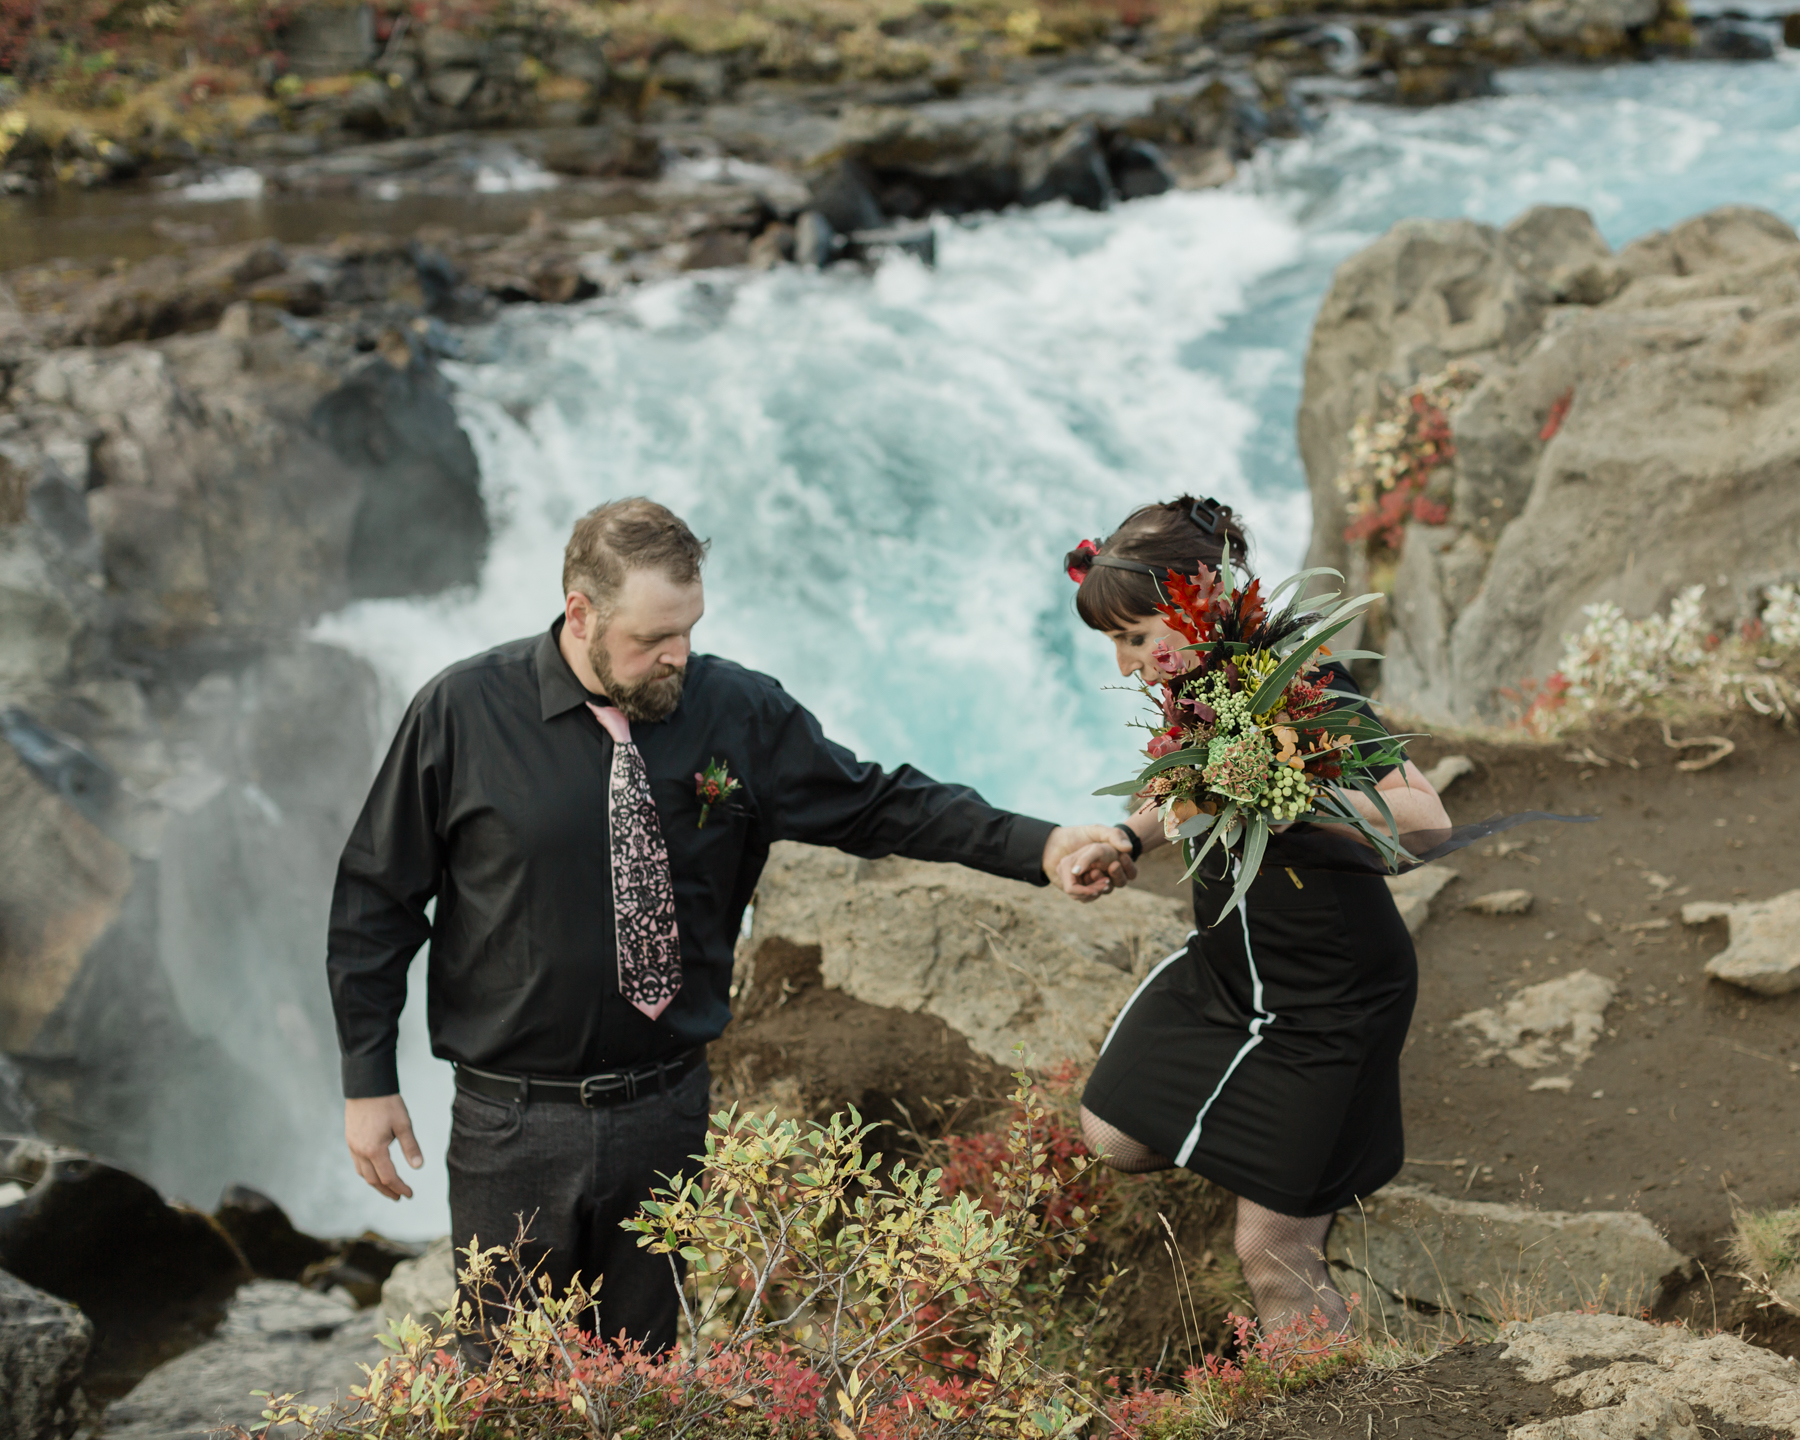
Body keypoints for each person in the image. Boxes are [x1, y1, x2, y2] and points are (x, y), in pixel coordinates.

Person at [326, 497, 1134, 1354]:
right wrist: (367, 1079)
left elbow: (880, 806)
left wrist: (1039, 845)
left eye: (690, 629)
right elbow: (377, 898)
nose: (677, 655)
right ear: (580, 613)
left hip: (666, 1110)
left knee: (643, 1375)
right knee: (507, 1381)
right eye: (653, 638)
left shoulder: (735, 712)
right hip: (512, 1125)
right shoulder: (461, 711)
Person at [1057, 495, 1450, 1337]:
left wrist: (1291, 777)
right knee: (1114, 1133)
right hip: (1231, 972)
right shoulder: (1196, 678)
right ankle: (1273, 1152)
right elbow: (1199, 782)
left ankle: (1319, 1395)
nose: (1128, 664)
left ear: (1194, 600)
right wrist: (1129, 836)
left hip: (1329, 1000)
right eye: (1117, 643)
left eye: (1134, 636)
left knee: (1270, 1257)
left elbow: (1427, 817)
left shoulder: (1304, 681)